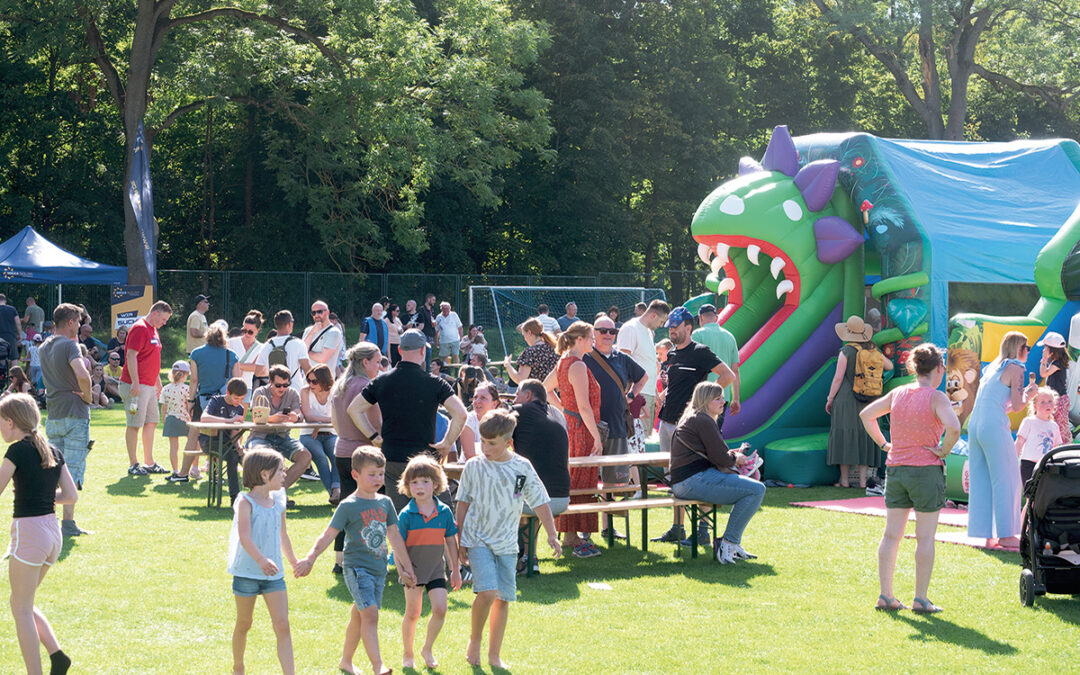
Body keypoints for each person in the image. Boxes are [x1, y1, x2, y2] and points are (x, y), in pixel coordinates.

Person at [295, 447, 415, 675]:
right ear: (355, 475)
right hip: (356, 569)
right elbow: (328, 535)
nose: (378, 479)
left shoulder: (386, 502)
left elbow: (395, 537)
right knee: (370, 614)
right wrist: (310, 558)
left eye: (381, 473)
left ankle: (346, 661)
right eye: (372, 474)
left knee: (360, 615)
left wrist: (406, 567)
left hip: (378, 569)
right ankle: (377, 665)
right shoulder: (348, 505)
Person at [456, 408, 562, 668]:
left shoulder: (521, 467)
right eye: (483, 442)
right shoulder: (473, 466)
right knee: (488, 591)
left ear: (508, 442)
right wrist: (459, 541)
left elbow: (540, 501)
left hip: (507, 543)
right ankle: (475, 640)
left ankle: (494, 655)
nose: (485, 448)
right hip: (478, 538)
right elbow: (462, 503)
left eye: (492, 443)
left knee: (503, 598)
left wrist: (551, 533)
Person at [860, 343, 961, 613]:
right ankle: (921, 599)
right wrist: (944, 450)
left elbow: (866, 415)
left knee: (891, 535)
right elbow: (954, 427)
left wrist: (885, 445)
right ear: (939, 368)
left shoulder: (898, 393)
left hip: (896, 470)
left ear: (914, 368)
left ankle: (886, 595)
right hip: (926, 471)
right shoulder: (936, 397)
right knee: (925, 538)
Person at [0, 393, 78, 675]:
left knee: (20, 608)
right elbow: (71, 496)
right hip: (52, 534)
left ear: (10, 422)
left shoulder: (17, 451)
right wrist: (41, 494)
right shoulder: (52, 449)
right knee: (22, 603)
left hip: (30, 532)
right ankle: (58, 656)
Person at [347, 329, 468, 511]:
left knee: (398, 522)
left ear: (401, 351)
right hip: (426, 461)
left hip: (393, 458)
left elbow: (354, 410)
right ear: (422, 351)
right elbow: (461, 414)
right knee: (441, 519)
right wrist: (447, 443)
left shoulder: (381, 381)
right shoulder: (435, 383)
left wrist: (374, 437)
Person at [651, 307, 735, 544]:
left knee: (701, 474)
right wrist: (663, 396)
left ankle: (703, 531)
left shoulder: (700, 352)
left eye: (675, 327)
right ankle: (677, 528)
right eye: (670, 328)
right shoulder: (673, 355)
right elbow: (678, 385)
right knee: (672, 479)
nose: (671, 331)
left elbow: (728, 375)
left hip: (689, 428)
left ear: (689, 327)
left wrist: (703, 402)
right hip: (667, 423)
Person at [671, 381, 765, 564]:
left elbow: (715, 454)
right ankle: (728, 543)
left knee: (753, 491)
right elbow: (720, 458)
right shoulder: (703, 420)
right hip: (693, 480)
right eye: (718, 398)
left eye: (723, 397)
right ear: (706, 401)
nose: (723, 402)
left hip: (686, 481)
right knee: (756, 490)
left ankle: (731, 542)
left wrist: (731, 455)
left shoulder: (695, 417)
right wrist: (736, 459)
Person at [228, 449, 298, 675]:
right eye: (281, 471)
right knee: (244, 623)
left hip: (274, 575)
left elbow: (283, 535)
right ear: (265, 475)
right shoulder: (245, 502)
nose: (285, 475)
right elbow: (244, 536)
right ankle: (238, 667)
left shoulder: (279, 499)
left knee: (282, 625)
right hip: (247, 573)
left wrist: (294, 562)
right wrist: (261, 560)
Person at [967, 330, 1036, 549]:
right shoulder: (1017, 368)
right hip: (993, 425)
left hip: (976, 424)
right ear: (1018, 348)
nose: (1028, 351)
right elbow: (1017, 406)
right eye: (1027, 348)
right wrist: (1030, 394)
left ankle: (985, 534)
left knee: (982, 480)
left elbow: (996, 401)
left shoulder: (992, 369)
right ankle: (1006, 535)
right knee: (1008, 479)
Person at [395, 455, 462, 670]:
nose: (419, 487)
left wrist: (455, 569)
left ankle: (427, 648)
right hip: (413, 571)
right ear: (407, 486)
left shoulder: (443, 511)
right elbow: (397, 546)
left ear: (436, 484)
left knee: (440, 609)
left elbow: (451, 540)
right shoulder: (406, 515)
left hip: (435, 570)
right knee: (413, 613)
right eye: (414, 482)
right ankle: (408, 653)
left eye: (425, 481)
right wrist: (402, 570)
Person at [545, 321, 604, 557]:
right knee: (580, 480)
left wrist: (563, 410)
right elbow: (584, 406)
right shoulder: (577, 364)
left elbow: (545, 388)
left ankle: (572, 534)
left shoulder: (563, 360)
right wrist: (597, 436)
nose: (594, 341)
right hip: (581, 428)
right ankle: (573, 535)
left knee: (575, 478)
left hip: (571, 425)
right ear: (579, 339)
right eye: (591, 337)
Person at [585, 315, 646, 538]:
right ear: (594, 333)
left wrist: (631, 395)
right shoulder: (584, 356)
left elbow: (643, 376)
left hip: (617, 426)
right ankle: (584, 530)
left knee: (615, 482)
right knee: (587, 480)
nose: (609, 335)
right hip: (589, 428)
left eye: (613, 332)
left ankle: (608, 528)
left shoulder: (622, 358)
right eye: (603, 331)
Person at [38, 304, 92, 538]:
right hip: (74, 413)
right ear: (70, 322)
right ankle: (68, 523)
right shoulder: (70, 345)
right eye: (78, 321)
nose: (80, 326)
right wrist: (89, 397)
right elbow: (82, 374)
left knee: (52, 469)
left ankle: (44, 517)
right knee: (73, 469)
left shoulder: (43, 346)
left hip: (54, 414)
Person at [329, 342, 384, 573]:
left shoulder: (340, 385)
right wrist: (377, 437)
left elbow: (334, 422)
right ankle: (372, 555)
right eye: (378, 361)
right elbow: (376, 421)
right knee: (373, 508)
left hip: (342, 450)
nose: (380, 367)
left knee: (346, 507)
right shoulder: (366, 386)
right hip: (365, 453)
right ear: (365, 362)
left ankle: (340, 561)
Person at [826, 316, 893, 488]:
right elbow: (890, 366)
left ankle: (845, 480)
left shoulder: (846, 351)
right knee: (866, 435)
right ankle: (863, 481)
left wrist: (830, 398)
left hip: (846, 399)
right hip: (869, 399)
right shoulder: (872, 351)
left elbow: (838, 378)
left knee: (844, 436)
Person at [511, 379, 571, 574]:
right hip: (562, 497)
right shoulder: (558, 414)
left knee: (502, 497)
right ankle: (529, 556)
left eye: (517, 394)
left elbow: (496, 438)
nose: (513, 399)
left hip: (538, 499)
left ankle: (520, 557)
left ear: (528, 396)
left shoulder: (518, 411)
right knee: (526, 492)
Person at [172, 379, 249, 505]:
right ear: (228, 392)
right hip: (209, 441)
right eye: (236, 398)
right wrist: (229, 421)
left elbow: (235, 432)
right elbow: (204, 418)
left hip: (227, 443)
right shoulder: (216, 401)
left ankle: (257, 496)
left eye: (242, 399)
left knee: (249, 459)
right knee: (232, 457)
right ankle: (234, 498)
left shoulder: (239, 408)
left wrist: (239, 446)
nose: (239, 402)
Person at [120, 300, 172, 476]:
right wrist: (135, 382)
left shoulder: (154, 330)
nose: (164, 323)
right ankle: (133, 463)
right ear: (155, 313)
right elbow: (131, 355)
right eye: (163, 319)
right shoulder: (140, 328)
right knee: (134, 424)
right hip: (136, 387)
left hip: (149, 386)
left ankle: (149, 463)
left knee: (151, 422)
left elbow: (151, 358)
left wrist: (157, 382)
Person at [246, 366, 313, 492]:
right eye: (278, 385)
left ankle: (279, 491)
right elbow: (256, 417)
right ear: (270, 382)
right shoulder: (260, 392)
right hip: (260, 436)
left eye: (285, 385)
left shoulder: (292, 393)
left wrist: (295, 417)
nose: (282, 388)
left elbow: (300, 414)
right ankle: (265, 493)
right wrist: (273, 419)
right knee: (263, 457)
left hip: (282, 436)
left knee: (305, 456)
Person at [617, 299, 670, 435]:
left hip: (648, 393)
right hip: (637, 395)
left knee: (645, 440)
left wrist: (655, 394)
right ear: (653, 315)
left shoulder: (648, 332)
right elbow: (623, 364)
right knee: (637, 442)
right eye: (661, 321)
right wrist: (636, 398)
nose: (661, 325)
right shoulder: (631, 328)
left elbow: (648, 363)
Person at [691, 303, 740, 428]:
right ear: (716, 318)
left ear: (700, 318)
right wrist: (736, 399)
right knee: (716, 432)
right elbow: (735, 371)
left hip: (702, 394)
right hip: (723, 395)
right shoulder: (730, 337)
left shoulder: (697, 334)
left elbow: (692, 367)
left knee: (700, 434)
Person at [300, 364, 339, 502]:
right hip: (309, 434)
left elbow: (338, 416)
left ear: (324, 380)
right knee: (321, 459)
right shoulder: (305, 391)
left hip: (330, 433)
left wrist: (319, 425)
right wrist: (325, 422)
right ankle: (334, 494)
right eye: (308, 380)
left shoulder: (335, 392)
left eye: (314, 381)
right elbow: (309, 417)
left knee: (336, 456)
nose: (310, 384)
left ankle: (336, 489)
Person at [1016, 387, 1062, 485]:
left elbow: (1056, 448)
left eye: (1050, 401)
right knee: (1031, 494)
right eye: (1043, 402)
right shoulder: (1029, 422)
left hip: (1046, 465)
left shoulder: (1054, 426)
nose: (1047, 405)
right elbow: (1019, 442)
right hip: (1029, 464)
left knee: (1044, 495)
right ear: (1035, 406)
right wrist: (1014, 460)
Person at [256, 310, 312, 390]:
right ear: (290, 324)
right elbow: (307, 369)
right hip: (294, 390)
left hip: (274, 390)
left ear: (276, 325)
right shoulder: (298, 344)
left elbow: (258, 372)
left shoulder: (266, 345)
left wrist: (273, 372)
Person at [1037, 331, 1072, 444]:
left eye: (1045, 348)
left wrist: (1044, 359)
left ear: (1052, 351)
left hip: (1060, 400)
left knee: (1061, 427)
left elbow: (1043, 373)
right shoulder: (1056, 362)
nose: (1043, 350)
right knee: (1054, 424)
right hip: (1056, 399)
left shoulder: (1057, 365)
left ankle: (1065, 446)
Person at [503, 317, 558, 386]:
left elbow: (520, 379)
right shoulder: (554, 349)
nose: (525, 339)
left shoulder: (530, 352)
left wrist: (508, 365)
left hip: (536, 394)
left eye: (524, 335)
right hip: (554, 393)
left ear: (529, 333)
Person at [159, 361, 191, 477]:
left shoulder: (166, 389)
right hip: (185, 420)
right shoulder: (187, 389)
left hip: (171, 419)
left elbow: (163, 407)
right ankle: (193, 469)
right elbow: (188, 406)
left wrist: (164, 420)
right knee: (192, 444)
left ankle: (175, 470)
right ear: (185, 374)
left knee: (173, 447)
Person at [458, 382, 502, 460]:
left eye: (483, 398)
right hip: (471, 467)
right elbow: (469, 455)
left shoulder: (502, 422)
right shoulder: (468, 420)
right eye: (475, 397)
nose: (477, 401)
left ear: (494, 404)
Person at [228, 310, 265, 401]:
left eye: (250, 332)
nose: (246, 334)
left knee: (241, 415)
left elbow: (257, 368)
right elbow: (224, 362)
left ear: (258, 330)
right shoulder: (231, 342)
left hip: (246, 387)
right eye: (244, 330)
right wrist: (247, 366)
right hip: (229, 386)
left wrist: (236, 365)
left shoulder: (261, 347)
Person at [305, 300, 344, 371]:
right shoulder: (308, 330)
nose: (316, 315)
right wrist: (312, 332)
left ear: (327, 312)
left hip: (325, 380)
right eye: (313, 313)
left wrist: (307, 352)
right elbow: (301, 352)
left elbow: (322, 358)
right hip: (307, 380)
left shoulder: (334, 332)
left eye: (320, 312)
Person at [416, 294, 438, 370]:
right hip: (424, 335)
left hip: (430, 335)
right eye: (433, 300)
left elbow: (432, 322)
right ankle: (424, 373)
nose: (434, 302)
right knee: (424, 357)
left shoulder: (431, 310)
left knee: (428, 357)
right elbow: (420, 323)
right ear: (428, 299)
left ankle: (427, 373)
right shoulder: (421, 309)